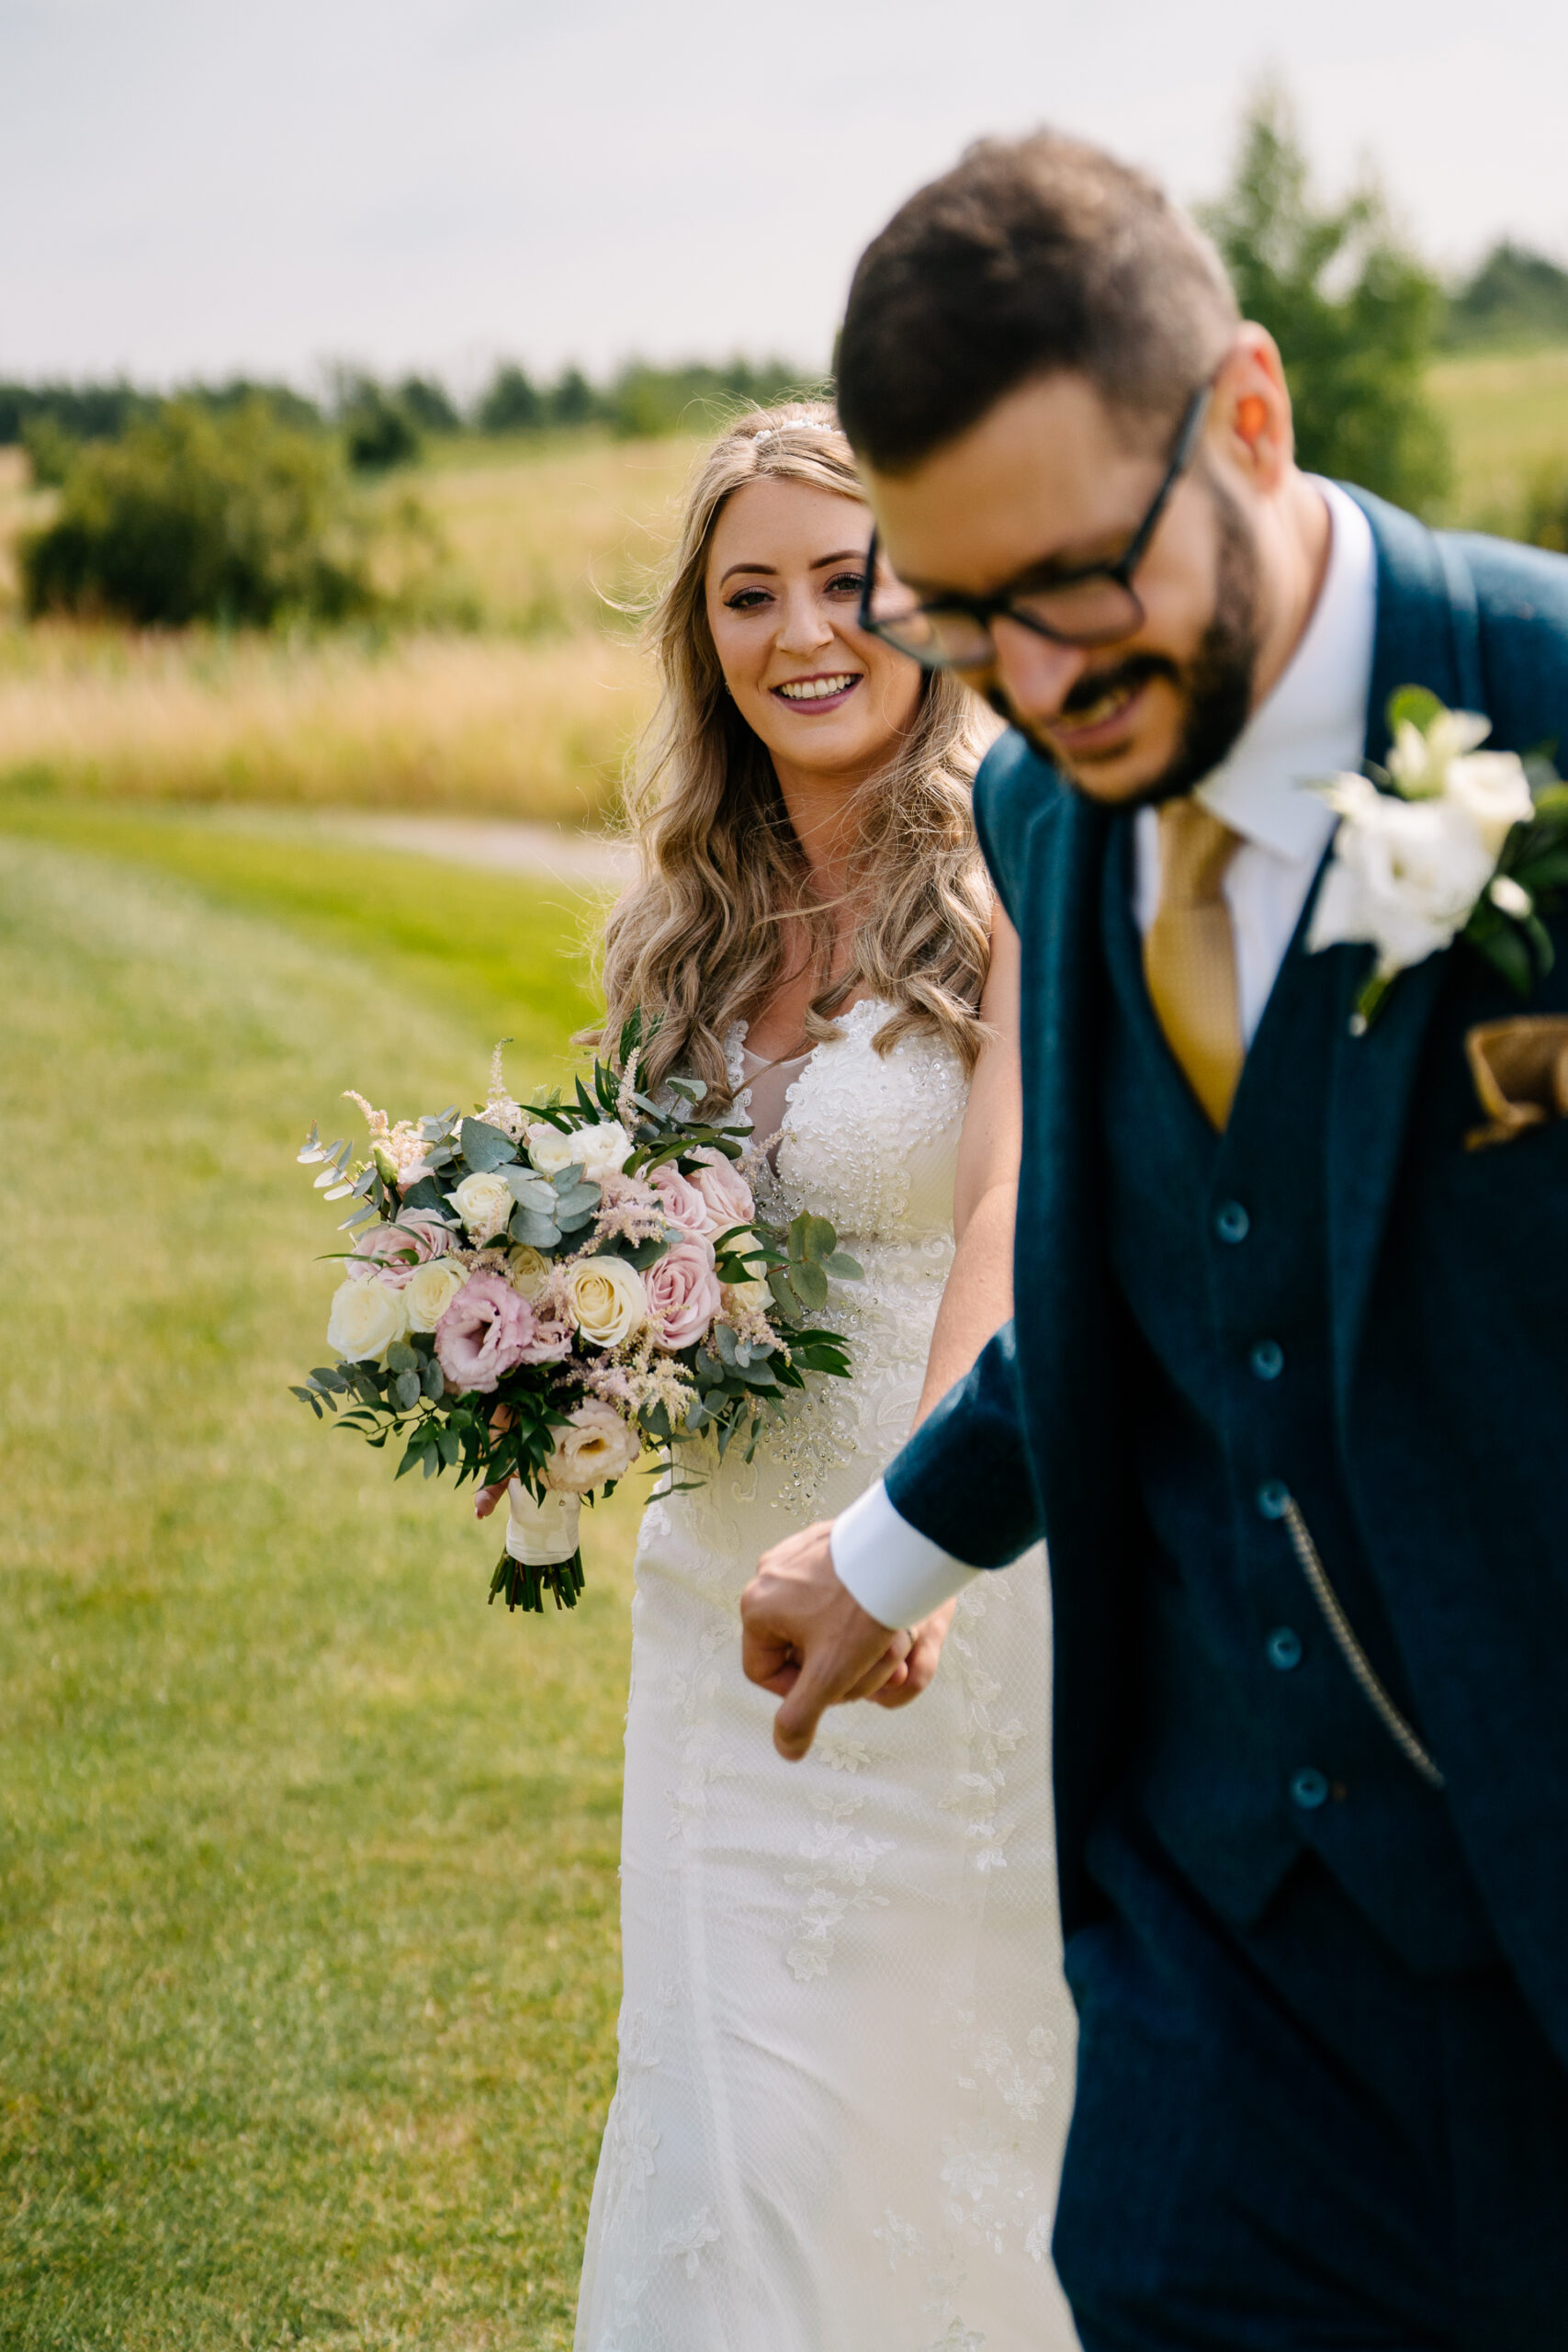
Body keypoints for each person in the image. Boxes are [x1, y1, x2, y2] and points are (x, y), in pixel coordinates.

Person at [740, 133, 1568, 2350]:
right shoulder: (1034, 801)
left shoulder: (1554, 700)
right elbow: (1147, 1279)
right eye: (955, 609)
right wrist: (884, 1552)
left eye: (1069, 583)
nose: (1019, 674)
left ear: (1250, 422)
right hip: (1225, 1966)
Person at [527, 404, 1079, 2350]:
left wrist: (897, 1540)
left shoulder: (1021, 869)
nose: (799, 632)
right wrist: (529, 1356)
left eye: (842, 581)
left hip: (944, 1582)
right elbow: (637, 1257)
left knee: (935, 2113)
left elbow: (1007, 1218)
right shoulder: (673, 929)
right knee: (728, 2130)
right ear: (704, 639)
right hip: (704, 1614)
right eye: (745, 593)